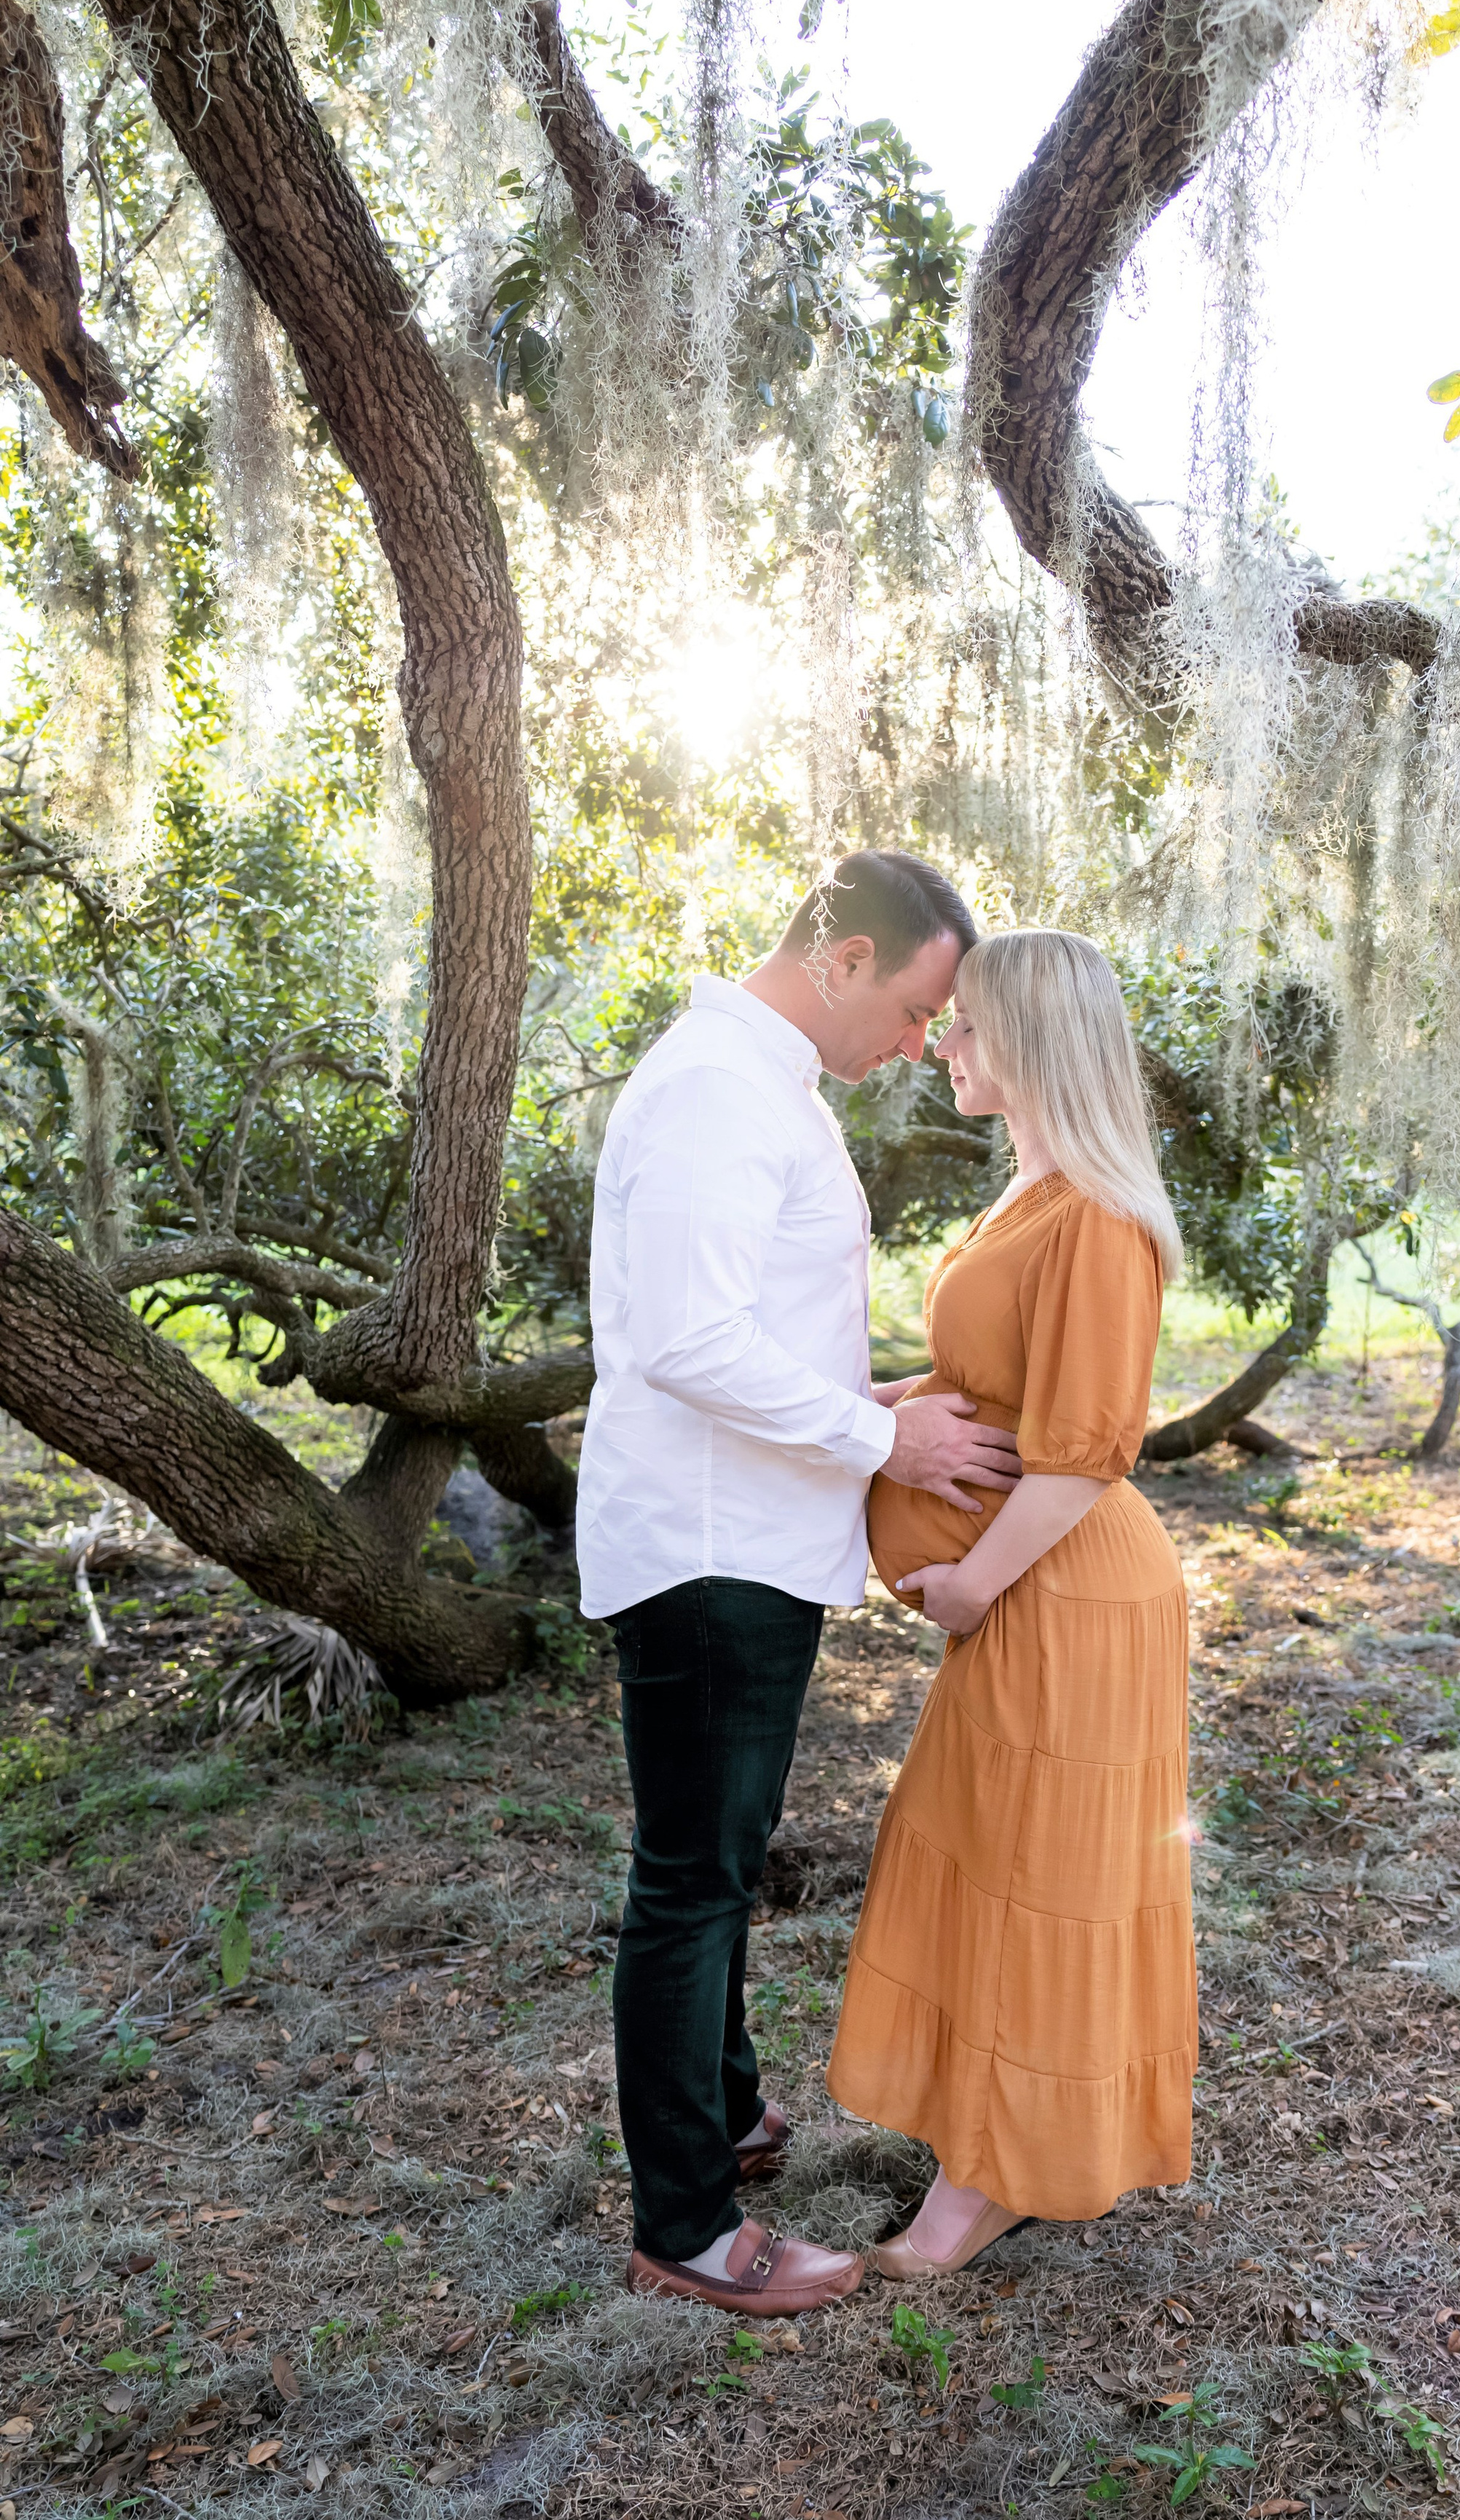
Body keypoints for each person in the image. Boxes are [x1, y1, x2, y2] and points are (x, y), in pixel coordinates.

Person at [578, 852, 1024, 2319]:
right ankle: (687, 2223)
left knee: (722, 1849)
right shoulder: (715, 1086)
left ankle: (727, 2113)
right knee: (692, 1876)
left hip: (751, 1530)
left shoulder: (764, 1086)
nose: (916, 1044)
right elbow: (684, 1345)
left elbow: (749, 1325)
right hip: (709, 1544)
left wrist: (868, 1390)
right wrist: (875, 1430)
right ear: (840, 955)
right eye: (909, 1008)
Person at [826, 929, 1194, 2277]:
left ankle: (990, 2183)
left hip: (1064, 1591)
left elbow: (1086, 1446)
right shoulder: (1028, 1197)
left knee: (1043, 1872)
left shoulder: (1097, 1215)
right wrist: (872, 1409)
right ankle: (992, 2132)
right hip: (1028, 1593)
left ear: (1032, 1041)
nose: (945, 1044)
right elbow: (993, 1378)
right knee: (988, 1854)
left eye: (969, 1025)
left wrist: (975, 1577)